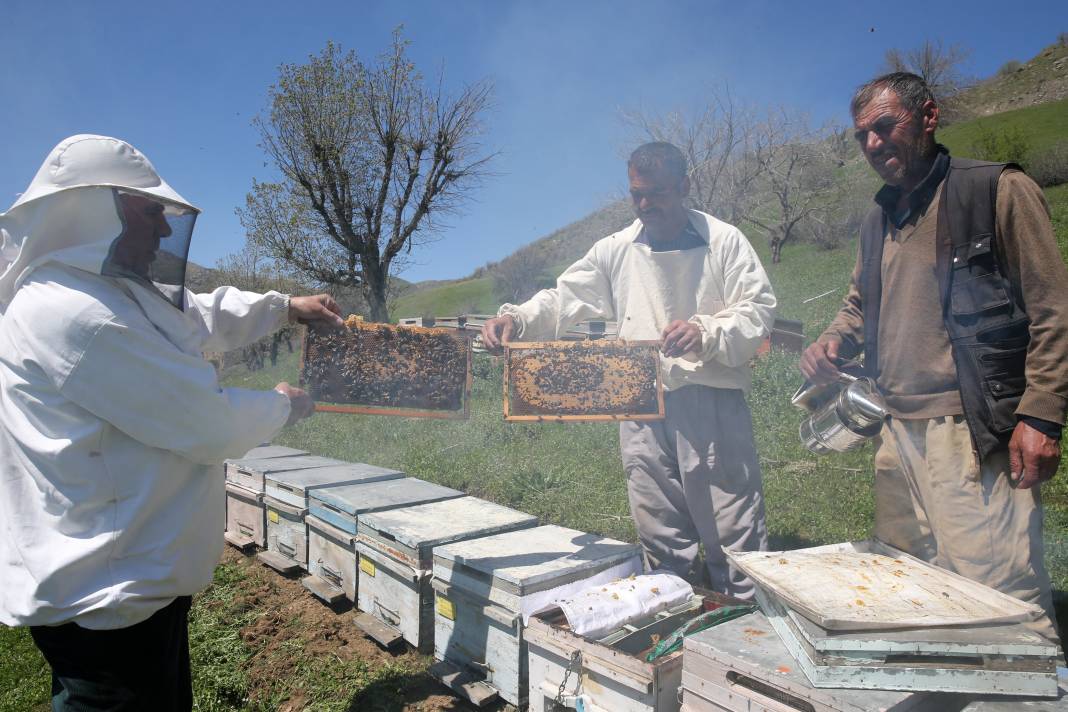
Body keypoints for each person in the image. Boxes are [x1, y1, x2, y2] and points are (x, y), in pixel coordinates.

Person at [0, 134, 345, 710]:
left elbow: (194, 313)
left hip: (128, 585)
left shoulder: (103, 292)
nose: (164, 230)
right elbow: (208, 425)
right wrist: (283, 402)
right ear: (95, 211)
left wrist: (284, 307)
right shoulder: (76, 316)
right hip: (106, 600)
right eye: (151, 211)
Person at [800, 73, 1068, 642]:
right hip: (896, 433)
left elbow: (1054, 308)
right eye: (861, 137)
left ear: (928, 117)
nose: (872, 145)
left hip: (969, 429)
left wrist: (1042, 413)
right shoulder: (879, 217)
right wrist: (833, 340)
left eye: (884, 127)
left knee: (999, 596)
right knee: (913, 581)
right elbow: (857, 304)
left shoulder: (995, 189)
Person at [482, 142, 776, 597]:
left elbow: (757, 310)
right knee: (660, 528)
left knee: (730, 525)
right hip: (638, 402)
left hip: (709, 400)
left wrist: (707, 332)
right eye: (636, 193)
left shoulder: (724, 240)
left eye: (656, 193)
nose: (644, 204)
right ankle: (678, 624)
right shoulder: (616, 249)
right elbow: (563, 297)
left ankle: (747, 628)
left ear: (683, 187)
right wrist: (516, 318)